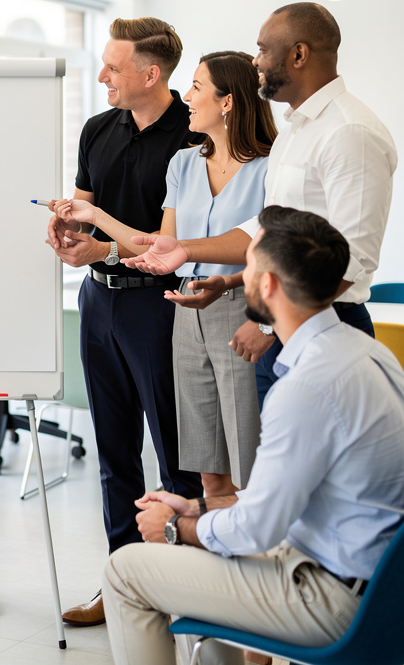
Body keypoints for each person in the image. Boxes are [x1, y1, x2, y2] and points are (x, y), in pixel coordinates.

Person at [101, 205, 404, 665]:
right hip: (394, 590)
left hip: (333, 600)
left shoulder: (305, 387)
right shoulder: (368, 353)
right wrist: (197, 506)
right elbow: (280, 499)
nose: (240, 272)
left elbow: (256, 530)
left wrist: (176, 527)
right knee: (197, 555)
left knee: (125, 569)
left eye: (248, 264)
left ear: (270, 285)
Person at [121, 3, 397, 407]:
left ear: (298, 55)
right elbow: (268, 230)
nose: (256, 62)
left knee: (309, 469)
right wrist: (217, 272)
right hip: (283, 322)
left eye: (264, 49)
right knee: (269, 467)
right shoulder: (295, 131)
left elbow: (353, 260)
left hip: (323, 325)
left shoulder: (349, 132)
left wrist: (266, 324)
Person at [55, 51, 277, 500]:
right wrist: (95, 215)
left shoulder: (272, 169)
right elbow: (160, 243)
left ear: (229, 102)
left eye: (196, 87)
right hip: (185, 311)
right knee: (204, 464)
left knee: (247, 465)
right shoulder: (184, 163)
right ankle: (201, 562)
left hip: (238, 306)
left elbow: (265, 245)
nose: (187, 97)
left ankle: (246, 559)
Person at [45, 17, 204, 627]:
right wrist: (67, 229)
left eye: (113, 67)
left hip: (158, 304)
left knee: (173, 449)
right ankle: (124, 583)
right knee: (113, 449)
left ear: (150, 73)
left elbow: (176, 239)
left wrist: (101, 243)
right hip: (98, 302)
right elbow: (86, 210)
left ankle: (182, 585)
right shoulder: (96, 129)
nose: (103, 76)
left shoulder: (193, 136)